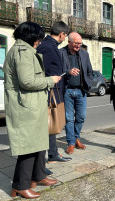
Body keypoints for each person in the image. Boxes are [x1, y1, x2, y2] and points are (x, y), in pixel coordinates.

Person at [3, 22, 61, 199]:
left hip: (32, 105)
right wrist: (50, 81)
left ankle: (39, 176)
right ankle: (20, 186)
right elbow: (27, 81)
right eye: (38, 38)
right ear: (31, 37)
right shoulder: (23, 52)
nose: (39, 42)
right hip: (26, 106)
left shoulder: (24, 51)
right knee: (28, 147)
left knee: (38, 143)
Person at [37, 21, 72, 164]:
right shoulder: (47, 47)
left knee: (50, 126)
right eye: (65, 36)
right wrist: (51, 80)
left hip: (53, 91)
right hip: (48, 92)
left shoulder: (50, 45)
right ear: (62, 34)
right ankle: (41, 162)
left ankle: (53, 153)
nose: (65, 39)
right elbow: (39, 71)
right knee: (47, 125)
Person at [60, 32, 93, 154]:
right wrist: (68, 72)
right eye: (76, 43)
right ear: (69, 42)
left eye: (80, 43)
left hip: (81, 90)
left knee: (80, 117)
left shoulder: (84, 54)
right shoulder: (61, 53)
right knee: (69, 118)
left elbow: (90, 71)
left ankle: (75, 137)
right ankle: (71, 143)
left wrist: (88, 84)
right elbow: (57, 71)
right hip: (67, 90)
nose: (78, 45)